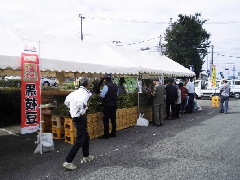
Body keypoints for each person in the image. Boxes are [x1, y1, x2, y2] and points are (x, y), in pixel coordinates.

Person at [63, 77, 94, 170]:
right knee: (79, 140)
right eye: (90, 83)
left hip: (75, 116)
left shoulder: (75, 92)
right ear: (87, 84)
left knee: (86, 136)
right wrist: (80, 111)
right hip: (80, 117)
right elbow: (81, 104)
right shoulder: (85, 93)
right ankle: (68, 161)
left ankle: (86, 155)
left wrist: (72, 110)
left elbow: (66, 102)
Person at [100, 73, 118, 139]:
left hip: (107, 105)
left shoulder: (106, 86)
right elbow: (117, 94)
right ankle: (113, 132)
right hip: (114, 104)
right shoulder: (116, 85)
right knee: (113, 119)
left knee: (106, 120)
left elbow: (102, 95)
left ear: (106, 79)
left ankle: (106, 134)